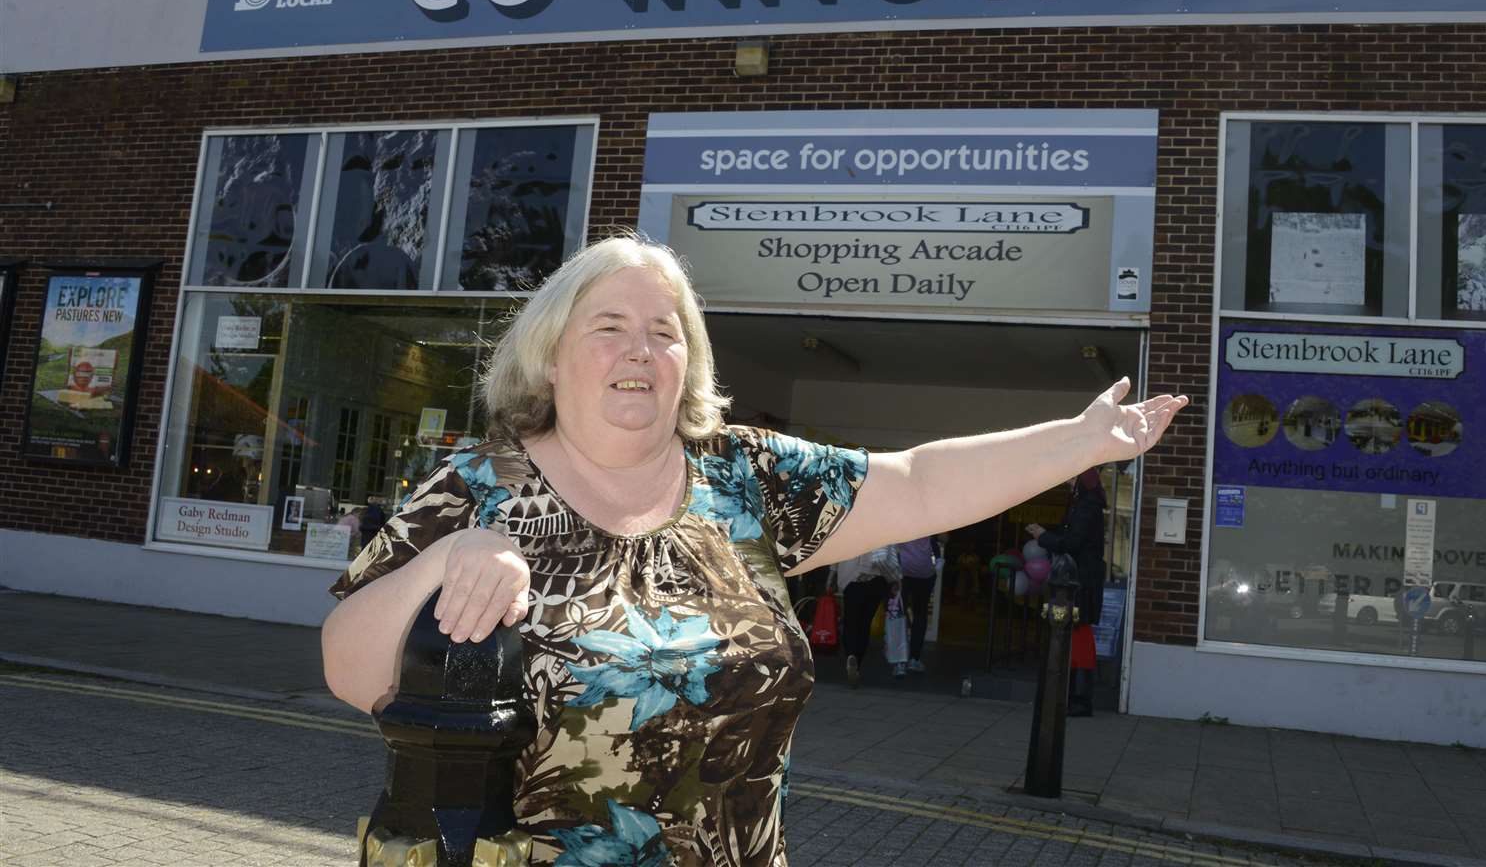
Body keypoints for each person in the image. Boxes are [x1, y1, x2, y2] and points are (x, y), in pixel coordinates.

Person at [320, 234, 1188, 866]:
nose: (639, 350)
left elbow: (919, 480)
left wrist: (1079, 442)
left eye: (665, 332)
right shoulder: (484, 484)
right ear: (550, 358)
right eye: (608, 327)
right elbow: (350, 669)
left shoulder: (742, 475)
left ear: (686, 362)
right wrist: (447, 560)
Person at [1026, 467, 1109, 716]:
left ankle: (1079, 700)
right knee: (1077, 635)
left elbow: (1072, 543)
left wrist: (1043, 537)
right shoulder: (1087, 506)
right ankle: (1073, 697)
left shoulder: (1085, 508)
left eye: (1072, 478)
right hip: (1083, 581)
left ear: (1082, 482)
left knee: (1079, 634)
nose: (1067, 482)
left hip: (1080, 582)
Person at [833, 542, 901, 687]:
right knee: (864, 624)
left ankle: (850, 654)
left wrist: (832, 573)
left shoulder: (848, 523)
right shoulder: (882, 526)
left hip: (850, 579)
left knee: (850, 622)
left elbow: (836, 549)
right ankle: (857, 664)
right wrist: (894, 578)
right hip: (875, 581)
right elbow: (882, 558)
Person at [896, 535, 942, 673]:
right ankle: (914, 659)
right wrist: (937, 567)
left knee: (899, 616)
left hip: (904, 573)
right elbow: (942, 541)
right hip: (925, 574)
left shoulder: (903, 522)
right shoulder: (930, 522)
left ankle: (899, 662)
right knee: (920, 616)